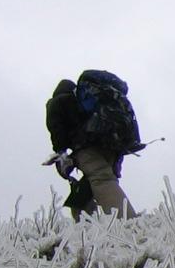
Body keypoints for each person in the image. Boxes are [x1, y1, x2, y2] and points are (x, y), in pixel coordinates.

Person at [45, 72, 140, 218]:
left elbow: (57, 130)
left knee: (101, 179)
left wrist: (61, 152)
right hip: (111, 144)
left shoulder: (57, 102)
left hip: (87, 146)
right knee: (87, 188)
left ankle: (129, 223)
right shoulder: (87, 100)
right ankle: (85, 226)